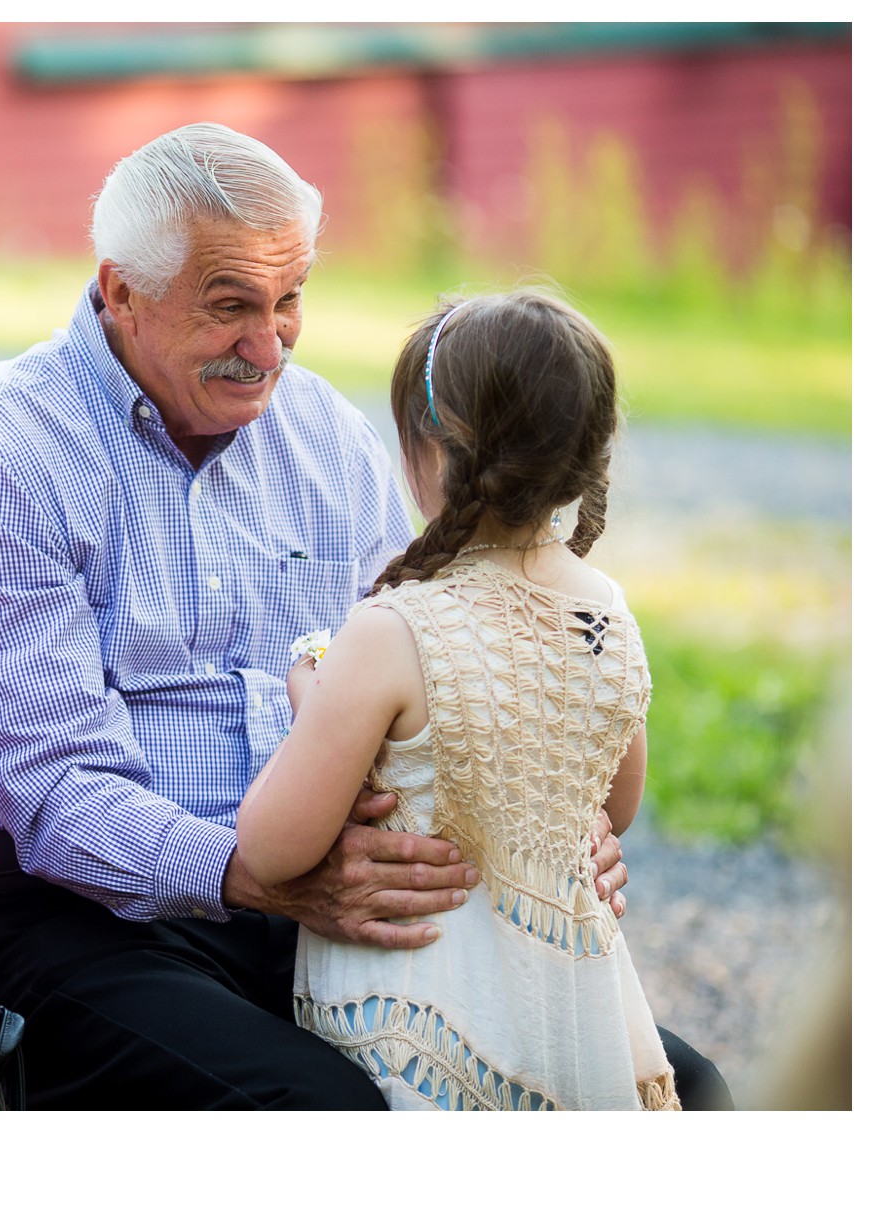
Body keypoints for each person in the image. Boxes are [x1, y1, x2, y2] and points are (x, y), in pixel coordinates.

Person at [0, 123, 729, 1109]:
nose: (267, 347)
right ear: (121, 290)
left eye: (288, 300)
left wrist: (540, 824)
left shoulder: (323, 436)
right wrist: (260, 877)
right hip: (92, 916)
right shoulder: (3, 452)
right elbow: (52, 794)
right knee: (326, 1116)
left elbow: (438, 666)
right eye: (229, 309)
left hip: (317, 893)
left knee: (676, 1090)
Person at [235, 288, 678, 1109]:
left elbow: (269, 849)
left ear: (431, 451)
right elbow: (613, 803)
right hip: (564, 1013)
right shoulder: (604, 614)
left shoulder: (392, 630)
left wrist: (313, 694)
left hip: (427, 1025)